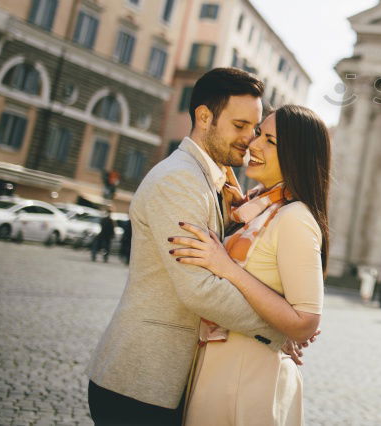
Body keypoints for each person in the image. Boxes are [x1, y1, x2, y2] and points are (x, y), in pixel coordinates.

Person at [87, 69, 294, 425]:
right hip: (141, 380)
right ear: (204, 117)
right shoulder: (180, 179)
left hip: (162, 382)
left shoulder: (207, 180)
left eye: (255, 129)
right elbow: (199, 290)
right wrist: (281, 328)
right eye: (240, 125)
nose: (250, 139)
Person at [169, 103, 331, 425]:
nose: (253, 145)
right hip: (222, 368)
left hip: (250, 379)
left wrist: (225, 267)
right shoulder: (255, 211)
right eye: (259, 134)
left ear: (297, 155)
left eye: (270, 142)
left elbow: (305, 322)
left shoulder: (295, 219)